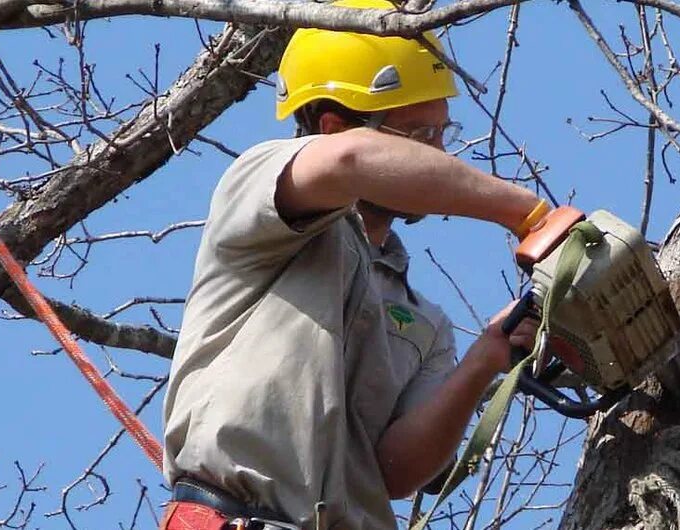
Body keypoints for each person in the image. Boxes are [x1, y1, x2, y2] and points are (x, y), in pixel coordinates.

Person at [159, 1, 557, 528]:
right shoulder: (258, 192)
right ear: (333, 125)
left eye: (443, 135)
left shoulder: (425, 323)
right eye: (419, 138)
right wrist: (528, 214)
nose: (440, 155)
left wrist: (488, 356)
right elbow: (349, 161)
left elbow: (395, 472)